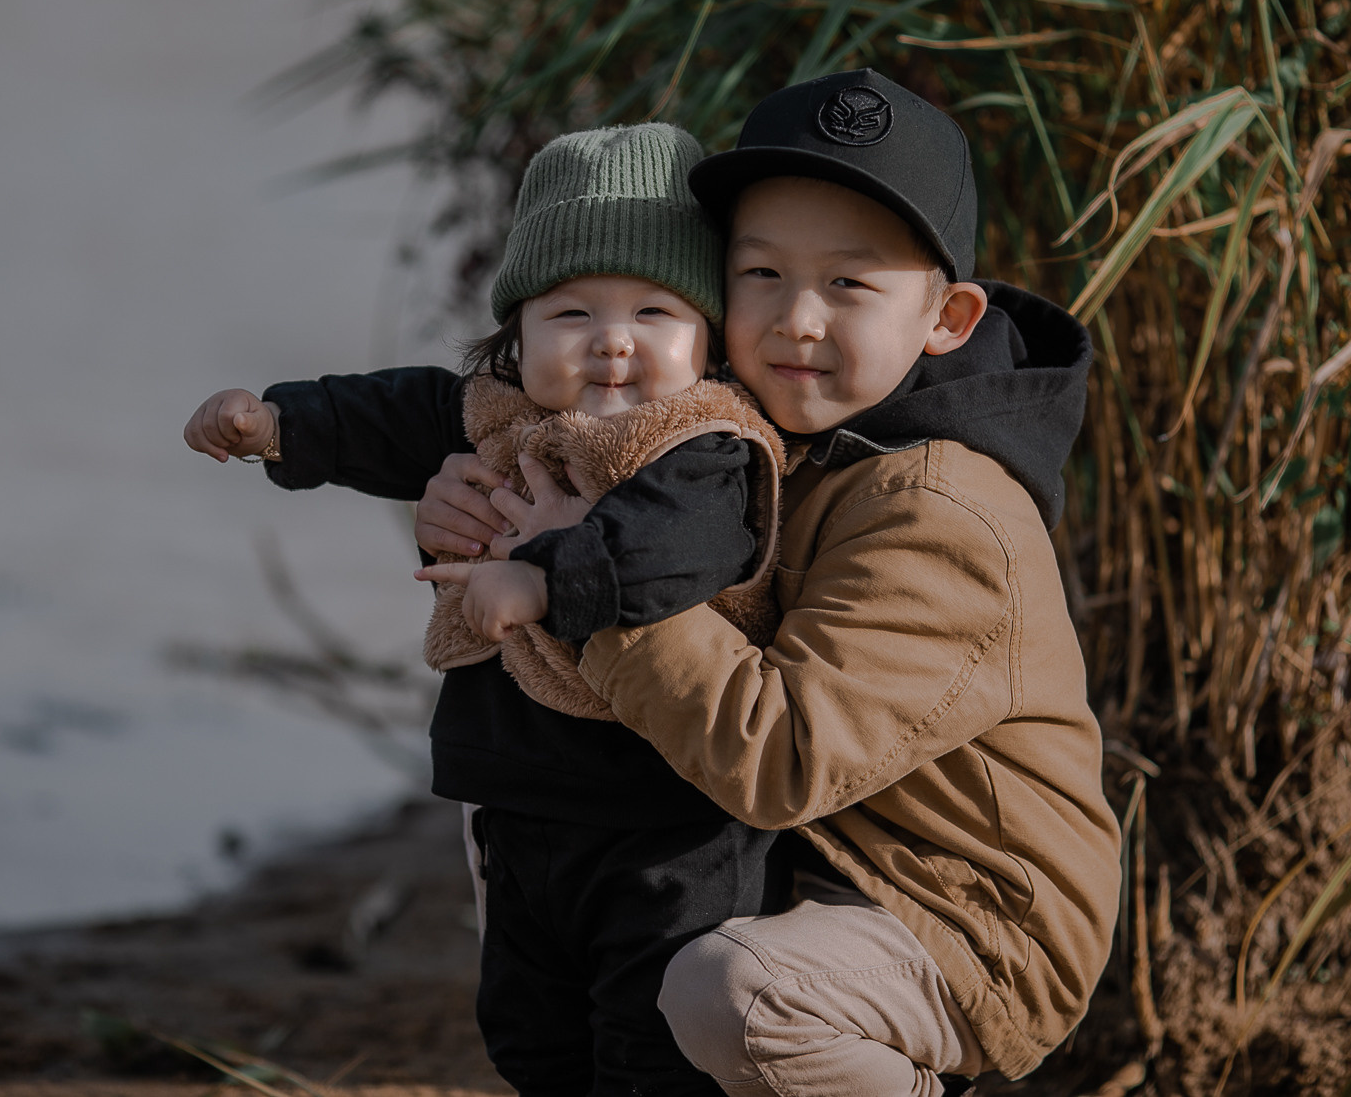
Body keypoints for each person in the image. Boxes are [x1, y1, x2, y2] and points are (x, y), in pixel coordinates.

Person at [415, 70, 1122, 1097]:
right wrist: (466, 512)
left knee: (735, 996)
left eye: (848, 283)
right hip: (814, 852)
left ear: (946, 316)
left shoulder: (942, 511)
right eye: (760, 274)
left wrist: (584, 580)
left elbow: (779, 756)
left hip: (961, 910)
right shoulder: (732, 424)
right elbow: (529, 474)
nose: (796, 319)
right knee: (520, 787)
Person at [183, 123, 792, 1097]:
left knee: (650, 1039)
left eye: (653, 309)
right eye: (569, 312)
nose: (611, 340)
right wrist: (277, 423)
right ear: (517, 333)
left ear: (708, 335)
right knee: (528, 1025)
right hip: (519, 805)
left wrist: (546, 576)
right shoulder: (496, 413)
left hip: (668, 820)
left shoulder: (703, 443)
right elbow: (391, 415)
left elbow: (674, 546)